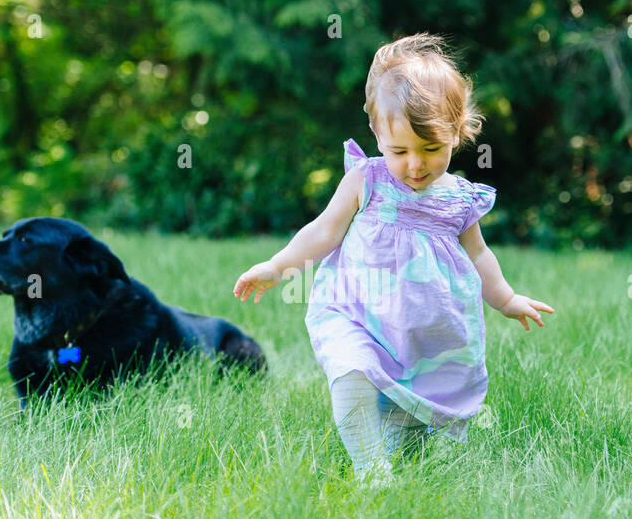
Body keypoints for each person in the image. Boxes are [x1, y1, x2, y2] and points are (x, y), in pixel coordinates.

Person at [233, 33, 553, 483]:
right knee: (352, 371)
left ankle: (393, 450)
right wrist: (277, 266)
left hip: (425, 330)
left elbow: (479, 254)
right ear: (377, 133)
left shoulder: (459, 200)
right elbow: (324, 231)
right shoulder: (368, 179)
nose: (415, 165)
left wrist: (505, 298)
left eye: (432, 149)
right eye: (400, 150)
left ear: (457, 135)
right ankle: (370, 471)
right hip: (356, 312)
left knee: (410, 419)